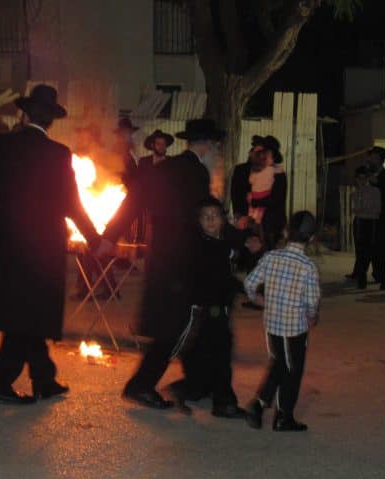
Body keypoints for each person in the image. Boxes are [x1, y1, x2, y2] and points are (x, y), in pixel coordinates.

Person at [0, 85, 99, 405]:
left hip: (8, 244)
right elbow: (71, 204)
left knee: (24, 311)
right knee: (26, 315)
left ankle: (44, 379)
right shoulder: (58, 154)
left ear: (24, 113)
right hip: (42, 247)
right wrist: (95, 240)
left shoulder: (3, 146)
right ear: (51, 121)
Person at [99, 117, 225, 409]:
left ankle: (193, 383)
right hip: (184, 258)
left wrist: (110, 236)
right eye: (215, 145)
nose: (216, 151)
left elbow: (133, 201)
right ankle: (142, 385)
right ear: (206, 145)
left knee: (186, 321)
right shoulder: (196, 173)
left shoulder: (165, 168)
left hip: (162, 255)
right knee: (178, 324)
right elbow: (203, 220)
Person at [166, 197, 254, 418]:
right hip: (208, 308)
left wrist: (249, 245)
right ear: (199, 221)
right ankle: (222, 402)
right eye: (206, 217)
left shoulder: (222, 242)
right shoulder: (204, 247)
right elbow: (220, 279)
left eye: (215, 215)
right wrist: (245, 289)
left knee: (207, 354)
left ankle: (189, 389)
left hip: (216, 307)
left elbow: (238, 252)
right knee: (220, 356)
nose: (211, 220)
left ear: (223, 219)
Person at [243, 210, 321, 432]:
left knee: (281, 364)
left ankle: (270, 411)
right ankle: (274, 413)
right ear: (312, 238)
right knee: (291, 371)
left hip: (272, 325)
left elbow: (249, 283)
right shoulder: (308, 267)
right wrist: (312, 316)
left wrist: (257, 298)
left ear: (286, 232)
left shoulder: (271, 257)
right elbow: (312, 300)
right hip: (293, 328)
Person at [248, 136, 287, 247]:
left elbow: (276, 199)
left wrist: (255, 201)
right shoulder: (260, 170)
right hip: (261, 221)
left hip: (271, 222)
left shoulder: (278, 173)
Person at [367, 145, 385, 292]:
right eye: (371, 157)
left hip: (381, 217)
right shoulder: (364, 175)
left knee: (380, 247)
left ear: (381, 160)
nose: (372, 160)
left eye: (375, 158)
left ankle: (381, 277)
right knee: (365, 246)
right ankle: (360, 273)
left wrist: (376, 184)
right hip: (364, 216)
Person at [349, 165, 381, 291]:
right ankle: (360, 278)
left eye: (364, 178)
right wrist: (361, 210)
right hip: (359, 222)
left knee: (367, 251)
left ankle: (363, 277)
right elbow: (355, 210)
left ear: (368, 178)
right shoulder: (355, 193)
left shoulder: (374, 191)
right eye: (359, 178)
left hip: (370, 223)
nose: (361, 181)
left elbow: (376, 210)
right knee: (359, 250)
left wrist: (362, 210)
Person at [112, 117, 140, 186]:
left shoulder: (133, 150)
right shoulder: (116, 151)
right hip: (120, 186)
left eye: (129, 133)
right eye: (125, 132)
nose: (129, 135)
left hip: (132, 186)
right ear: (120, 134)